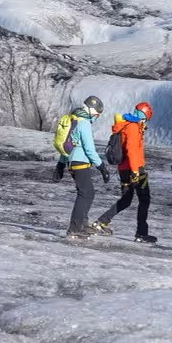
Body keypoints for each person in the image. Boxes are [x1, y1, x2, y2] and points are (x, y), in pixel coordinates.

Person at [92, 102, 155, 242]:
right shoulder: (133, 127)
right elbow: (132, 150)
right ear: (145, 115)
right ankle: (141, 234)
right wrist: (135, 171)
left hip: (123, 169)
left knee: (126, 199)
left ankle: (101, 221)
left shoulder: (126, 125)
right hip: (135, 169)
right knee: (144, 199)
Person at [64, 96, 110, 238]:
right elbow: (89, 149)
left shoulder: (75, 120)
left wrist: (61, 164)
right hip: (80, 162)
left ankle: (82, 224)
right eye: (96, 114)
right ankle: (75, 227)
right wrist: (101, 167)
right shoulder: (84, 124)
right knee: (85, 194)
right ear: (90, 110)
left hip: (73, 161)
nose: (97, 117)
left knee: (87, 193)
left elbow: (67, 142)